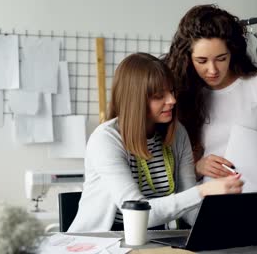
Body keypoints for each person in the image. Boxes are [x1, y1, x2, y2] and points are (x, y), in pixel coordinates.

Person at [68, 52, 243, 232]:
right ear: (135, 100)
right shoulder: (105, 139)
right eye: (159, 96)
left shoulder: (177, 133)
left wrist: (229, 221)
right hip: (102, 243)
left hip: (153, 240)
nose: (172, 100)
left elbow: (189, 211)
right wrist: (203, 191)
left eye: (172, 91)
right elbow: (137, 214)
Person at [163, 4, 257, 191]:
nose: (212, 70)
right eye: (202, 61)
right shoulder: (188, 97)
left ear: (232, 53)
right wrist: (198, 167)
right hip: (210, 204)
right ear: (188, 58)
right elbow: (181, 173)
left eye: (221, 58)